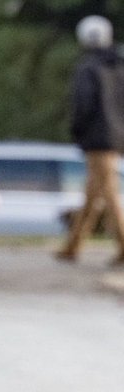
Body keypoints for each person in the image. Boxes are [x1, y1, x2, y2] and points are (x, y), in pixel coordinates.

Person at [56, 15, 124, 263]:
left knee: (109, 192)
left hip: (97, 139)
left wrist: (77, 131)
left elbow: (83, 105)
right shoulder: (118, 66)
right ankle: (73, 245)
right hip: (117, 137)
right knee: (93, 192)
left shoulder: (87, 68)